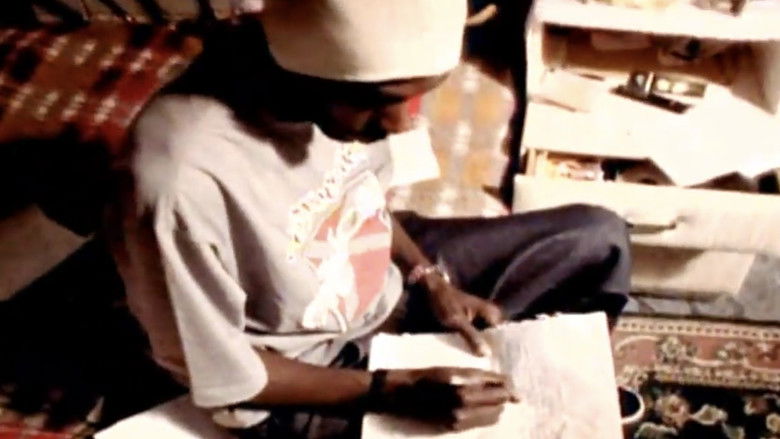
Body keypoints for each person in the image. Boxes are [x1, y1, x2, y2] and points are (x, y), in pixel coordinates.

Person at [109, 1, 632, 437]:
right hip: (303, 370)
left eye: (413, 97)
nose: (401, 125)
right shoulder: (176, 180)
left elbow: (360, 195)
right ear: (308, 72)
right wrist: (391, 390)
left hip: (379, 281)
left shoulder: (339, 91)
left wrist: (429, 278)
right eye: (383, 102)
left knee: (597, 240)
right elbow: (229, 375)